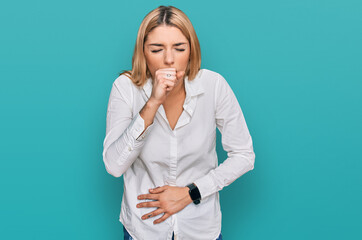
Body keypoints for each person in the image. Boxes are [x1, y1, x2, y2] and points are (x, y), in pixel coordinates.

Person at [102, 5, 255, 240]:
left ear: (191, 50)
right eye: (156, 49)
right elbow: (114, 166)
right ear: (143, 52)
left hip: (200, 229)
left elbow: (244, 155)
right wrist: (152, 102)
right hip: (144, 230)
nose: (169, 59)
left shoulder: (214, 86)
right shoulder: (125, 88)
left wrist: (191, 193)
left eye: (179, 48)